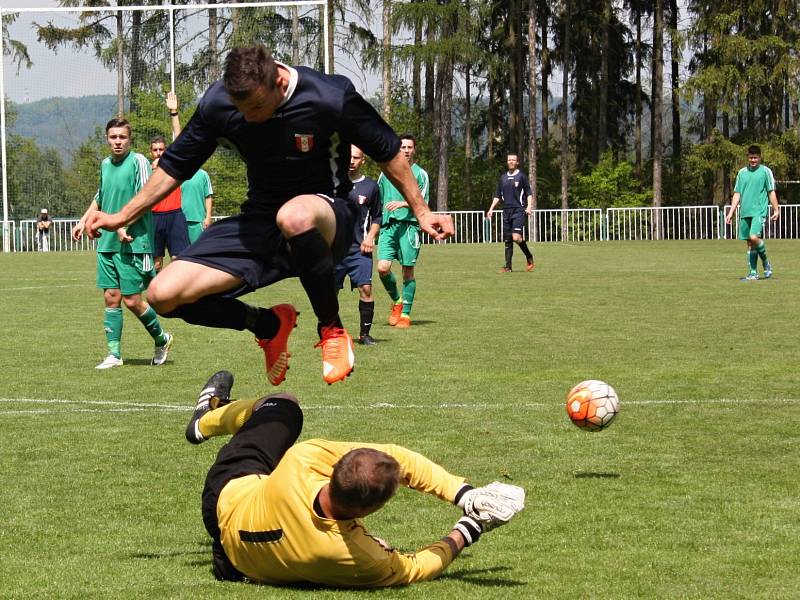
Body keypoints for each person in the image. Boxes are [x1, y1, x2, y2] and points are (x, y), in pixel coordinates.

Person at [84, 45, 453, 386]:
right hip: (260, 220)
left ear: (278, 81)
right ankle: (267, 324)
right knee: (163, 294)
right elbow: (174, 166)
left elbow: (388, 150)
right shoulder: (219, 104)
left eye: (256, 109)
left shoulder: (329, 96)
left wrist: (421, 211)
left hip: (327, 213)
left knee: (294, 215)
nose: (250, 119)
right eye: (242, 111)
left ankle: (332, 330)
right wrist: (120, 216)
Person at [183, 369, 525, 586]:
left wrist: (467, 496)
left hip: (227, 495)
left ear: (335, 469)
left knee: (282, 404)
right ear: (368, 512)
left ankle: (207, 420)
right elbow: (416, 567)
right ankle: (202, 420)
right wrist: (469, 524)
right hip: (237, 560)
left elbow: (397, 458)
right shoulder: (356, 557)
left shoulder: (304, 461)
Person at [71, 117, 173, 369]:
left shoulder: (138, 161)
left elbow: (145, 197)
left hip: (133, 241)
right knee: (111, 297)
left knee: (132, 300)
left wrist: (122, 224)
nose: (118, 142)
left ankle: (162, 339)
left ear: (130, 139)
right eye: (113, 137)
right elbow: (101, 197)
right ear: (107, 139)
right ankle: (114, 355)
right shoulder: (105, 164)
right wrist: (83, 220)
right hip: (107, 242)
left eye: (122, 137)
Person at [376, 134, 429, 329]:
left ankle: (405, 314)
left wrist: (403, 203)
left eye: (409, 147)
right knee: (382, 268)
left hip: (409, 226)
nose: (406, 150)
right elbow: (378, 197)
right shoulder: (386, 172)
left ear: (414, 150)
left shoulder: (421, 174)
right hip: (388, 226)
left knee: (408, 271)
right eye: (402, 147)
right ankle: (397, 301)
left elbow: (423, 202)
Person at [335, 145, 382, 345]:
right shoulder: (332, 184)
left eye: (356, 158)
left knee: (366, 289)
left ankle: (364, 335)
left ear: (362, 161)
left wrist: (370, 237)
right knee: (329, 292)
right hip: (334, 250)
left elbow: (378, 217)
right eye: (349, 157)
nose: (352, 161)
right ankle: (332, 334)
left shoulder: (371, 186)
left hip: (359, 250)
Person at [724, 145, 781, 281]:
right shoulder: (742, 173)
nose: (753, 160)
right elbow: (737, 193)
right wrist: (731, 212)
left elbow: (771, 191)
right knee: (750, 243)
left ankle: (766, 263)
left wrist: (776, 209)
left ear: (760, 157)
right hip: (745, 212)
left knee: (754, 237)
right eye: (751, 157)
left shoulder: (765, 171)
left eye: (755, 157)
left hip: (758, 211)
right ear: (747, 157)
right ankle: (753, 273)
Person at [166, 91, 214, 243]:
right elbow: (180, 140)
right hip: (178, 219)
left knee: (198, 256)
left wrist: (207, 217)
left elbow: (208, 196)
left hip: (197, 221)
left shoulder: (203, 175)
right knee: (179, 256)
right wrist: (174, 113)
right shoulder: (181, 171)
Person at [486, 153, 534, 273]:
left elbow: (529, 193)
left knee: (516, 237)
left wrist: (529, 207)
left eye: (513, 160)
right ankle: (508, 267)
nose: (511, 162)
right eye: (509, 160)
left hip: (518, 210)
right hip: (506, 211)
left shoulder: (522, 176)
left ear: (517, 162)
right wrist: (491, 208)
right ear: (507, 162)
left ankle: (529, 256)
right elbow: (497, 196)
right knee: (508, 239)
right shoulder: (503, 178)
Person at [149, 134, 191, 271]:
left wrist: (174, 115)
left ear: (166, 151)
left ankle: (175, 290)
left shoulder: (174, 166)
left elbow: (181, 141)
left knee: (178, 260)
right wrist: (153, 171)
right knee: (156, 263)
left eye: (161, 149)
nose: (158, 153)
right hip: (154, 217)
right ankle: (157, 291)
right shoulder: (146, 170)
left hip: (175, 215)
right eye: (155, 150)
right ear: (151, 152)